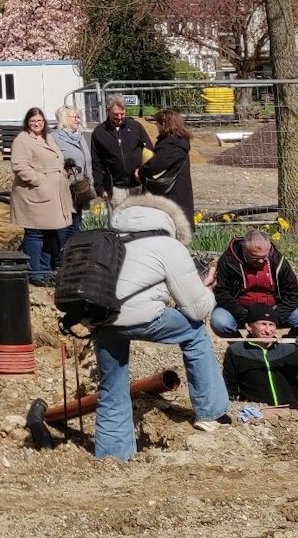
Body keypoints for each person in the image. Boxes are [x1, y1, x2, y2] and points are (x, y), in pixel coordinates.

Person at [90, 193, 231, 461]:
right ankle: (211, 412)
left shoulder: (107, 241)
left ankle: (113, 457)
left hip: (104, 320)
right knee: (195, 333)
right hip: (146, 317)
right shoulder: (168, 246)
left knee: (112, 387)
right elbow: (196, 309)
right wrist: (207, 291)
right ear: (168, 221)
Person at [211, 229, 298, 337]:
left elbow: (294, 293)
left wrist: (274, 317)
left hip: (274, 307)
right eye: (255, 257)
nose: (261, 261)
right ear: (244, 249)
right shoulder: (229, 261)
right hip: (241, 308)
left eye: (264, 257)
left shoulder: (278, 260)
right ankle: (240, 345)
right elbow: (222, 293)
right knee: (220, 322)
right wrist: (246, 317)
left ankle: (287, 344)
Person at [9, 107, 72, 285]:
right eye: (33, 121)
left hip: (53, 195)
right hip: (34, 195)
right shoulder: (22, 140)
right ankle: (34, 272)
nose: (36, 124)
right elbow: (19, 165)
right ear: (27, 122)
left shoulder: (48, 137)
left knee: (50, 232)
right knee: (35, 233)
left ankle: (45, 270)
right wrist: (39, 180)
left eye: (39, 121)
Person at [221, 307, 298, 409]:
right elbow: (229, 391)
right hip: (257, 415)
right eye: (263, 324)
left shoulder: (290, 351)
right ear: (249, 327)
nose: (268, 330)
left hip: (289, 414)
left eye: (271, 325)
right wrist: (238, 410)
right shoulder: (236, 352)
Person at [90, 98, 151, 204]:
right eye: (116, 114)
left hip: (138, 185)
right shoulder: (99, 132)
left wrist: (143, 171)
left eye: (122, 114)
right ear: (108, 111)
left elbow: (149, 152)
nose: (119, 117)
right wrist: (100, 187)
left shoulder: (136, 127)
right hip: (115, 189)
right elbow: (96, 163)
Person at [142, 109, 197, 221]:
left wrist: (141, 172)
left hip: (172, 194)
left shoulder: (172, 144)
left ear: (164, 124)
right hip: (179, 191)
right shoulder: (178, 141)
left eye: (157, 123)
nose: (156, 126)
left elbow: (156, 165)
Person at [52, 105, 94, 233]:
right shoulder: (54, 137)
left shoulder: (80, 137)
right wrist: (66, 166)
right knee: (66, 228)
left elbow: (87, 161)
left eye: (79, 117)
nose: (78, 120)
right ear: (64, 118)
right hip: (65, 190)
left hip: (81, 190)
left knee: (77, 225)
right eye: (75, 117)